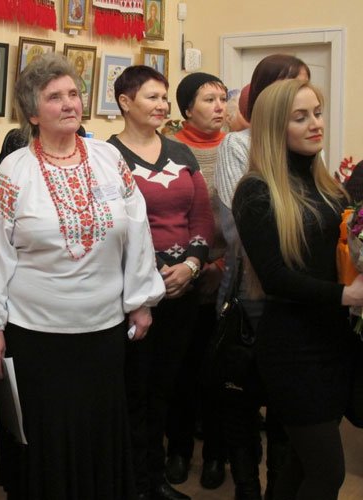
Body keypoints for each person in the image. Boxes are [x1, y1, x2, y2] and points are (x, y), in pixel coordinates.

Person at [0, 52, 165, 500]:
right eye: (54, 96)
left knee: (98, 435)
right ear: (33, 113)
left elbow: (137, 231)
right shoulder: (14, 170)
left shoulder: (109, 158)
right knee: (46, 440)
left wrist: (140, 300)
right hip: (37, 337)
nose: (70, 103)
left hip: (103, 332)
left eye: (73, 93)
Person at [233, 78, 363, 500]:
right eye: (301, 117)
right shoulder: (256, 190)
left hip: (334, 340)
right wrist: (346, 295)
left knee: (300, 466)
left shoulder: (327, 186)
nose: (316, 124)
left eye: (318, 113)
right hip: (293, 349)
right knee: (328, 473)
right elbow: (275, 276)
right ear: (275, 127)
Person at [107, 65, 214, 500]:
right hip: (134, 295)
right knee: (136, 391)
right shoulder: (107, 157)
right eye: (152, 97)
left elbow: (201, 217)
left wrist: (191, 265)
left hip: (183, 291)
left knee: (166, 388)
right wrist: (150, 272)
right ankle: (136, 482)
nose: (162, 105)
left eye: (165, 97)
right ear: (125, 102)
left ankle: (154, 479)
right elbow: (112, 227)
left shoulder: (181, 153)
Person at [214, 54, 310, 500]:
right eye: (289, 87)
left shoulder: (302, 144)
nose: (297, 98)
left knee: (288, 403)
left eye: (303, 87)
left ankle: (279, 487)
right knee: (241, 396)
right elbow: (241, 229)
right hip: (251, 290)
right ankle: (247, 486)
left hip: (293, 293)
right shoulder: (238, 146)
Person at [162, 72, 228, 490]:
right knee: (181, 370)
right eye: (209, 99)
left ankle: (217, 454)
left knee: (218, 373)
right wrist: (190, 265)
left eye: (222, 98)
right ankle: (179, 449)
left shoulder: (236, 147)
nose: (220, 106)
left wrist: (220, 265)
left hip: (227, 273)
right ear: (187, 108)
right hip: (181, 276)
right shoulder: (170, 149)